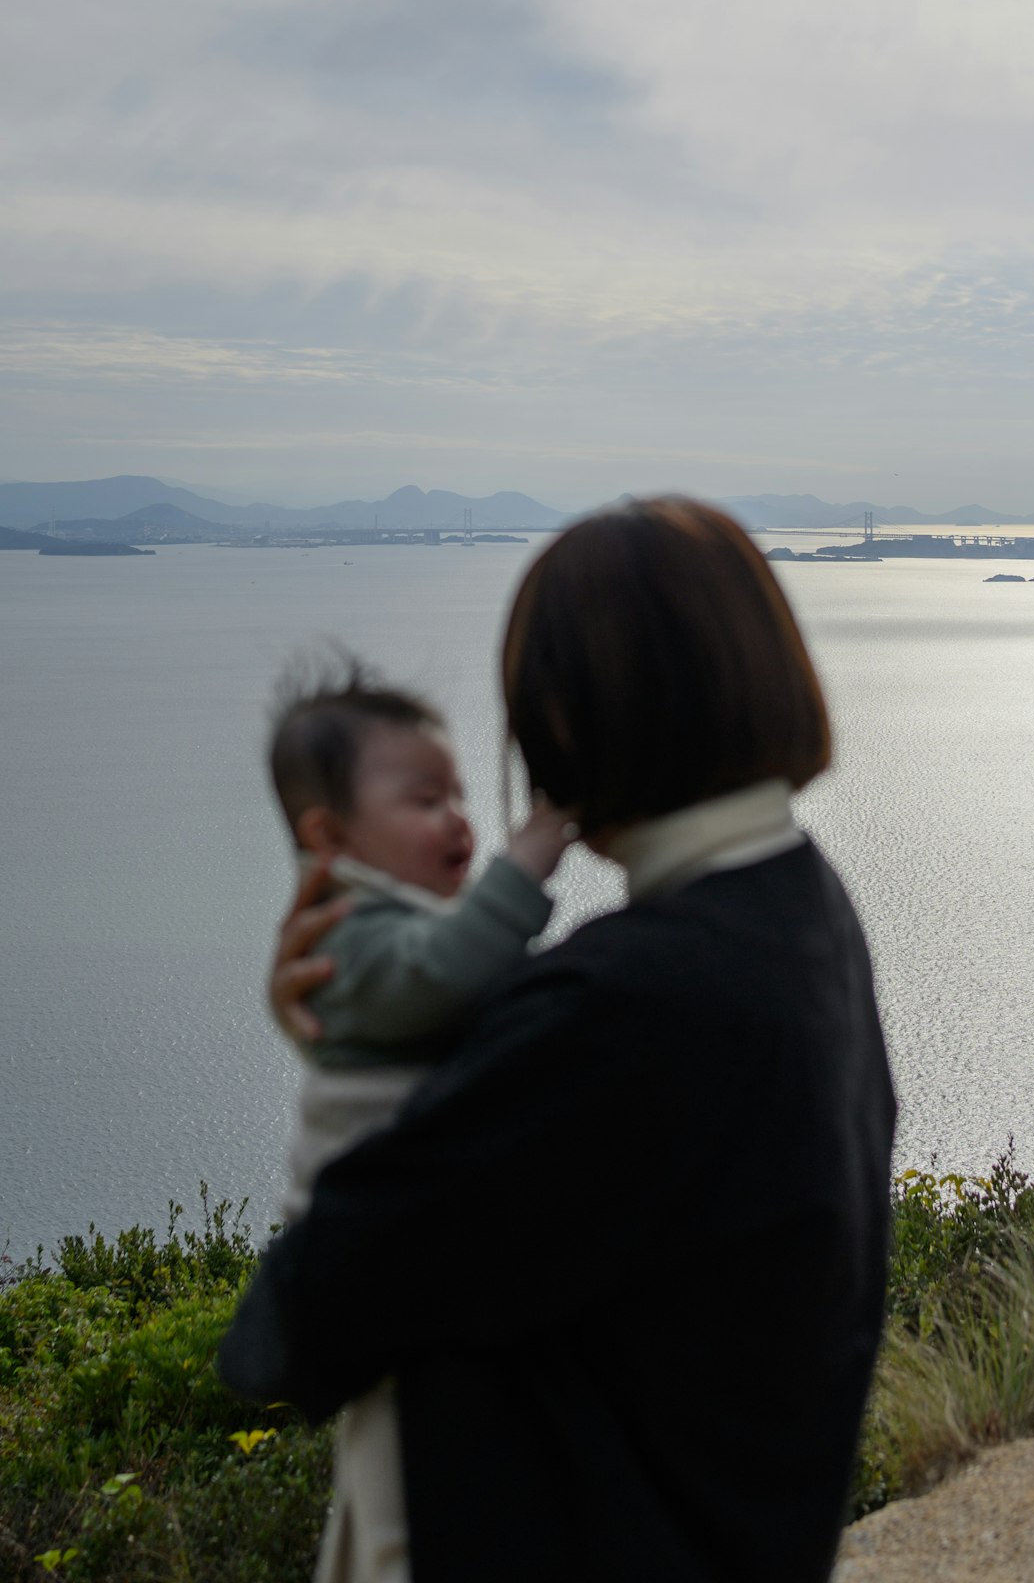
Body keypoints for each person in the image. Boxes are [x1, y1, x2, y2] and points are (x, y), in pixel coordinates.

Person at [221, 499, 896, 1583]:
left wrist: (348, 1039)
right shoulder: (807, 918)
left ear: (571, 727)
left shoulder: (629, 1001)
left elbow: (296, 1328)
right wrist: (372, 1008)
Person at [264, 659, 573, 1582]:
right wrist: (533, 854)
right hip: (378, 1265)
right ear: (330, 834)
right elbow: (450, 969)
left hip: (396, 1260)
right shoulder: (355, 938)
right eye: (425, 799)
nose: (460, 821)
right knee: (411, 1488)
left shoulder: (374, 928)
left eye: (461, 794)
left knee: (390, 1471)